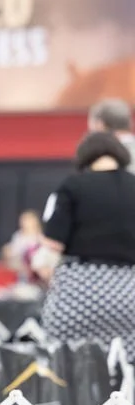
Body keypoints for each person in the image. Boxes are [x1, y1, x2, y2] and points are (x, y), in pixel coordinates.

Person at [37, 131, 135, 357]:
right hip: (130, 294)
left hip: (79, 294)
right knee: (126, 369)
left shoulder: (72, 187)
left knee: (64, 363)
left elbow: (50, 251)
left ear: (84, 157)